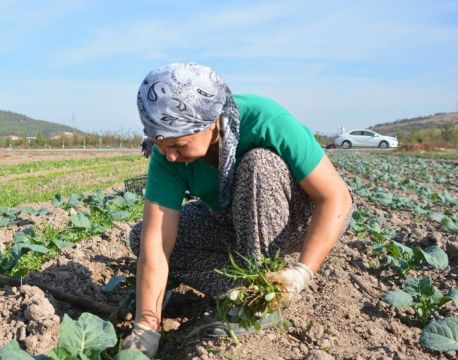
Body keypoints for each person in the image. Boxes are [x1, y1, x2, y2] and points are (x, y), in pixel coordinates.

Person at [121, 63, 353, 358]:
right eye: (160, 144)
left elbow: (336, 198)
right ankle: (244, 288)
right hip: (232, 217)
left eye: (178, 145)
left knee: (259, 165)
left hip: (300, 218)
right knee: (141, 238)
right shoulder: (166, 155)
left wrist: (303, 272)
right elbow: (157, 243)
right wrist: (146, 326)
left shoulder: (264, 119)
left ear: (210, 122)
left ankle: (260, 301)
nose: (170, 155)